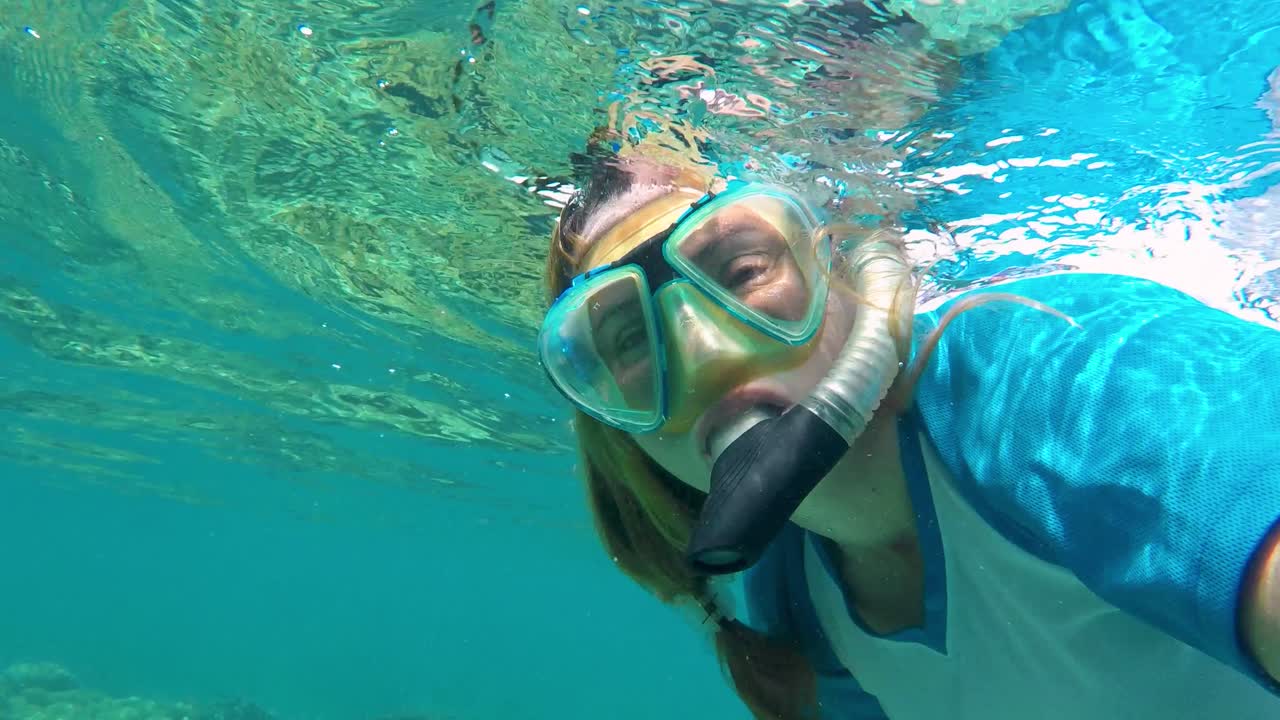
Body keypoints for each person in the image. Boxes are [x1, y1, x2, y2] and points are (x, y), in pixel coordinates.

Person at [536, 141, 1280, 719]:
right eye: (629, 340)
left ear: (847, 267)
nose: (702, 353)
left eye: (740, 269)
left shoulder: (1046, 377)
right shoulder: (787, 589)